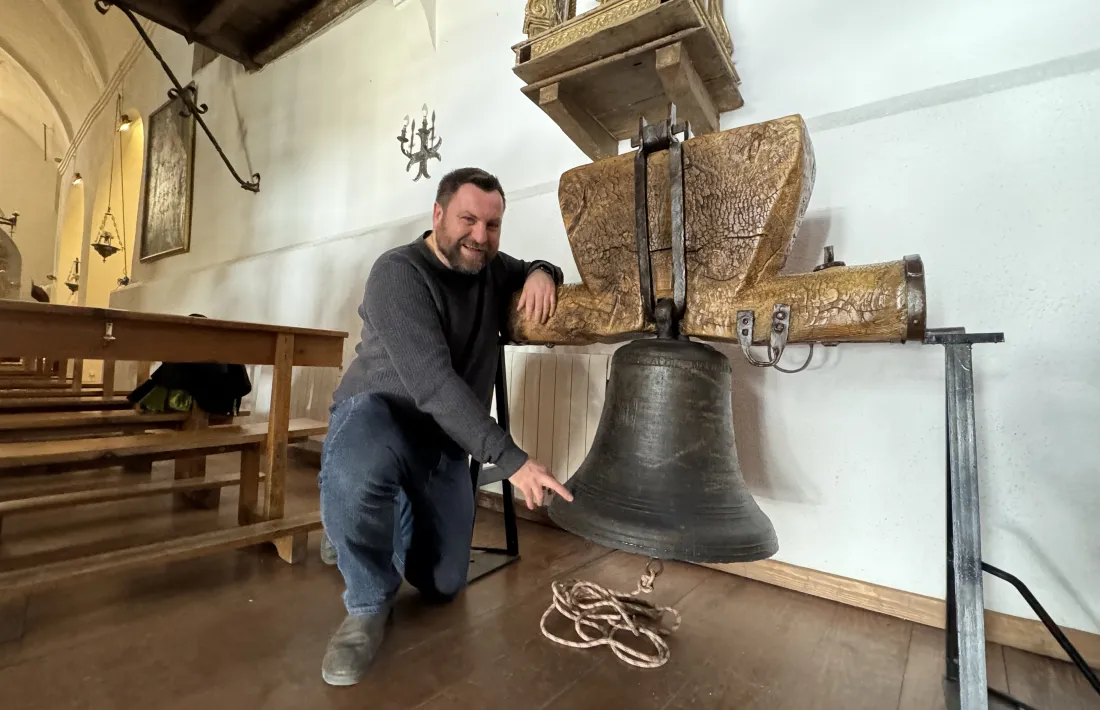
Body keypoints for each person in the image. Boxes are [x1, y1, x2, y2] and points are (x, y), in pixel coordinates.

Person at [318, 167, 574, 686]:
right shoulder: (397, 272)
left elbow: (527, 266)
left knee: (442, 585)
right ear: (437, 216)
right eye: (468, 219)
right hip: (379, 420)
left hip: (441, 448)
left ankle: (369, 518)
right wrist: (514, 461)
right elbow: (433, 384)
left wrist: (543, 272)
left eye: (493, 224)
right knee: (359, 456)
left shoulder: (491, 266)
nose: (480, 235)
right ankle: (365, 600)